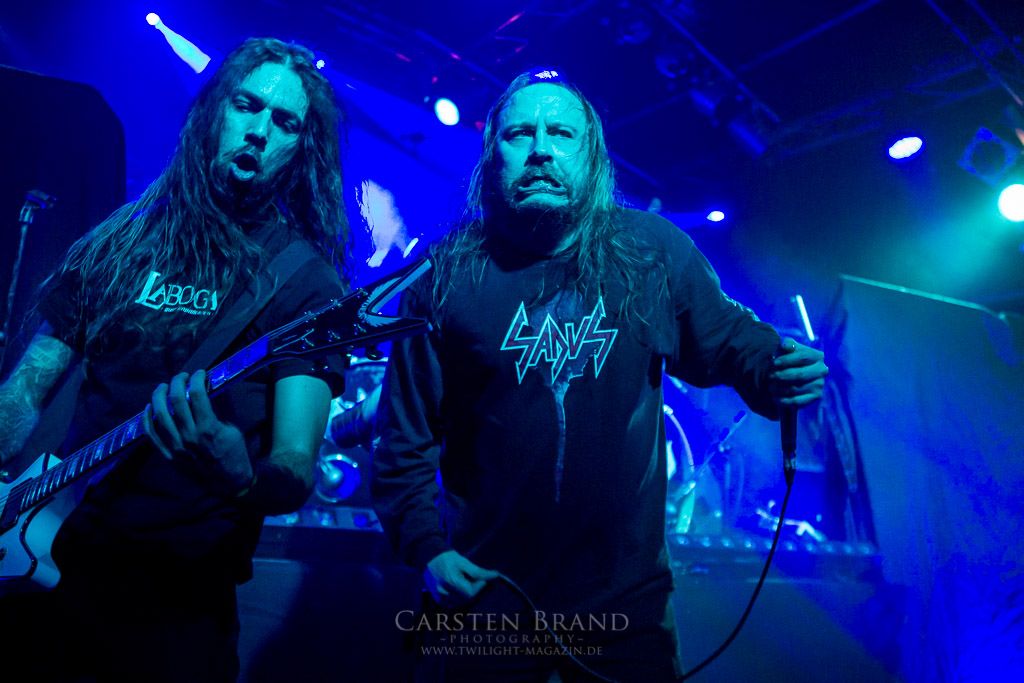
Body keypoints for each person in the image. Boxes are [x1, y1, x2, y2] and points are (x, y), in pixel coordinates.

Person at [371, 69, 828, 682]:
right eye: (519, 134)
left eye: (561, 133)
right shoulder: (443, 275)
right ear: (491, 156)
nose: (540, 149)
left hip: (624, 601)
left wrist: (778, 368)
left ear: (592, 157)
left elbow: (728, 340)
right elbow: (403, 437)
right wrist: (427, 548)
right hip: (486, 592)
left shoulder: (652, 253)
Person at [0, 38, 350, 682]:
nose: (259, 130)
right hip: (56, 566)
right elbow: (24, 392)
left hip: (180, 606)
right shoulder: (121, 241)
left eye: (284, 122)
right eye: (247, 105)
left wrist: (240, 475)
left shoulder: (306, 285)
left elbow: (296, 466)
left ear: (301, 149)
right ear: (214, 110)